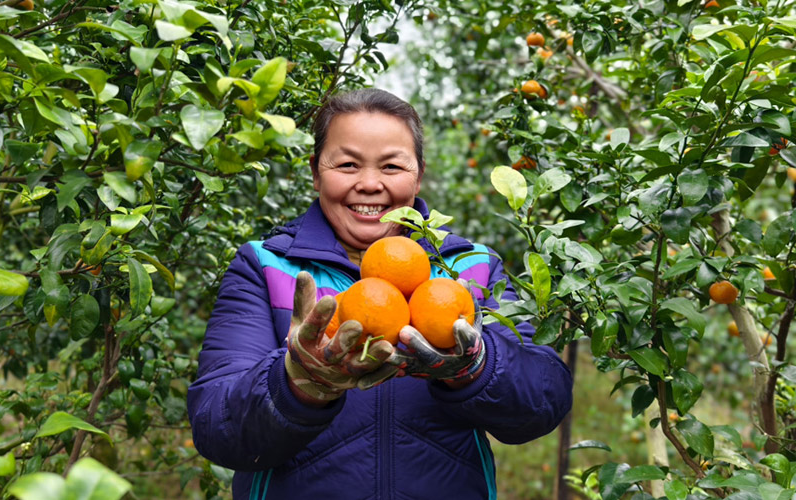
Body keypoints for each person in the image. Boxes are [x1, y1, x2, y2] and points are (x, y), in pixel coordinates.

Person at [187, 88, 573, 500]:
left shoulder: (470, 269)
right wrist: (297, 384)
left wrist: (476, 367)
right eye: (348, 164)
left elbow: (543, 402)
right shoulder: (265, 268)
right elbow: (216, 428)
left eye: (391, 166)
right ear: (316, 172)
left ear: (418, 175)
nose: (369, 184)